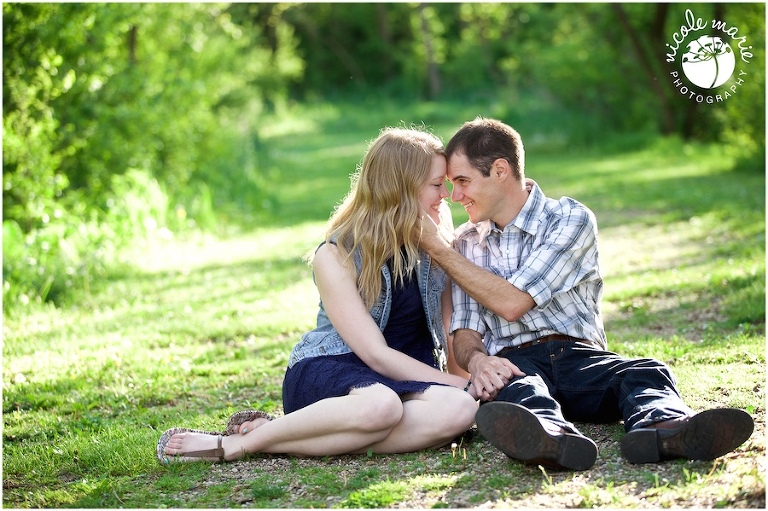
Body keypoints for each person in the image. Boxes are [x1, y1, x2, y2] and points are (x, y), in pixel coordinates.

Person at [417, 117, 754, 471]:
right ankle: (550, 437)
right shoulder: (467, 243)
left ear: (500, 170)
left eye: (463, 182)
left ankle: (665, 427)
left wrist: (439, 249)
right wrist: (480, 362)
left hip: (578, 356)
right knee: (514, 388)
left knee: (644, 372)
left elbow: (512, 302)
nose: (455, 197)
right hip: (515, 363)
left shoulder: (568, 219)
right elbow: (465, 331)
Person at [157, 127, 479, 464]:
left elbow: (448, 329)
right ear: (401, 188)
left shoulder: (436, 245)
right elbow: (375, 355)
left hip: (407, 382)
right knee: (380, 406)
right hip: (335, 372)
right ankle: (238, 446)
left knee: (459, 410)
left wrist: (465, 387)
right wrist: (458, 384)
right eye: (436, 184)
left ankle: (287, 438)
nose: (447, 193)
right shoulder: (336, 254)